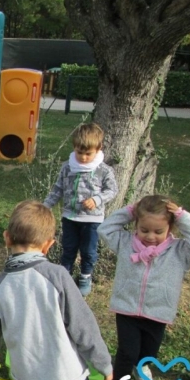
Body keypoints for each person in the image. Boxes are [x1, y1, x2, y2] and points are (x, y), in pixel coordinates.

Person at [0, 200, 112, 380]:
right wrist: (103, 362)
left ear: (7, 238)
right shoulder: (57, 276)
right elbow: (82, 324)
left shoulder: (2, 282)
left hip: (27, 373)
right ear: (49, 245)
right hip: (66, 374)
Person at [98, 195, 190, 380]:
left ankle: (142, 367)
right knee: (127, 351)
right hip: (127, 309)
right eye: (144, 230)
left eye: (158, 231)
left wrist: (181, 216)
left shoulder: (180, 251)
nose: (150, 237)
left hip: (158, 311)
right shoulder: (125, 242)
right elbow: (104, 229)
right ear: (136, 223)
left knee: (149, 352)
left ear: (172, 227)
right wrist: (129, 211)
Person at [43, 122, 118, 296]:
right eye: (79, 152)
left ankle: (85, 276)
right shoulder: (67, 167)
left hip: (92, 220)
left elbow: (112, 190)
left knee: (88, 251)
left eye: (88, 154)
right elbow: (58, 188)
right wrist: (46, 206)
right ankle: (64, 277)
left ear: (98, 149)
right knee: (68, 248)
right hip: (70, 217)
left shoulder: (103, 170)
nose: (83, 157)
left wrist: (97, 199)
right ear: (74, 148)